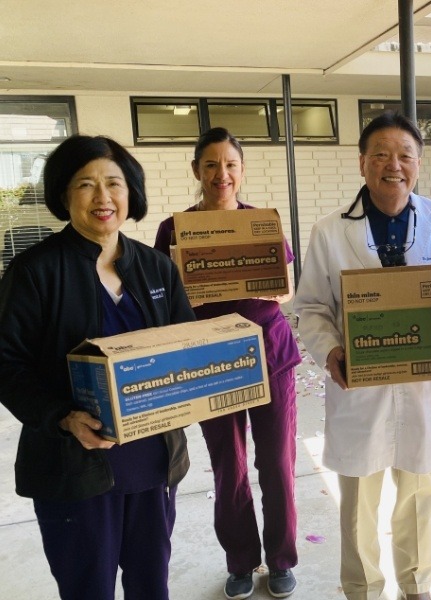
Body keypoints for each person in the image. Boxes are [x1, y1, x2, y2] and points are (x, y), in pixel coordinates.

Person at [0, 135, 195, 599]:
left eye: (115, 183)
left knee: (152, 585)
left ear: (132, 192)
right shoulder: (35, 271)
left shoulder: (155, 267)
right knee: (88, 589)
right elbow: (6, 363)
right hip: (74, 470)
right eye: (86, 185)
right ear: (64, 196)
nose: (103, 197)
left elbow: (187, 345)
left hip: (152, 462)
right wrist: (62, 417)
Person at [293, 112, 431, 600]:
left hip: (422, 388)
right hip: (360, 390)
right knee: (357, 508)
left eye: (404, 155)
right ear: (362, 163)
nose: (393, 165)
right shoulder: (331, 231)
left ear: (418, 163)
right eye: (380, 155)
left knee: (418, 501)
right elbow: (310, 306)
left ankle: (417, 589)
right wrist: (331, 352)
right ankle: (363, 591)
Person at [154, 128, 301, 600]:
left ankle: (280, 559)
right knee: (228, 466)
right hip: (211, 361)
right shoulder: (173, 229)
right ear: (197, 170)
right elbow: (166, 298)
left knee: (276, 463)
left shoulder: (261, 222)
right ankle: (240, 560)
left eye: (231, 164)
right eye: (212, 165)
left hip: (269, 355)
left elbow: (287, 288)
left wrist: (271, 287)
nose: (223, 174)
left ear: (242, 170)